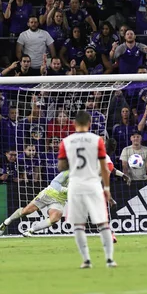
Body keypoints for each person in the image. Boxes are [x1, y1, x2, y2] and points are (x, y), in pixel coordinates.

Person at [57, 111, 115, 269]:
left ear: (74, 124)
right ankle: (109, 259)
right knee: (103, 223)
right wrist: (107, 188)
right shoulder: (97, 140)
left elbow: (61, 167)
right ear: (89, 123)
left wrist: (69, 161)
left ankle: (86, 260)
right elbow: (104, 167)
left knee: (78, 225)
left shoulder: (66, 142)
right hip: (93, 184)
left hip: (75, 184)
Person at [0, 170, 69, 237]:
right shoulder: (67, 172)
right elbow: (54, 183)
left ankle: (30, 231)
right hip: (49, 194)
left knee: (55, 218)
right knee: (25, 211)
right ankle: (6, 222)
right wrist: (67, 190)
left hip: (60, 200)